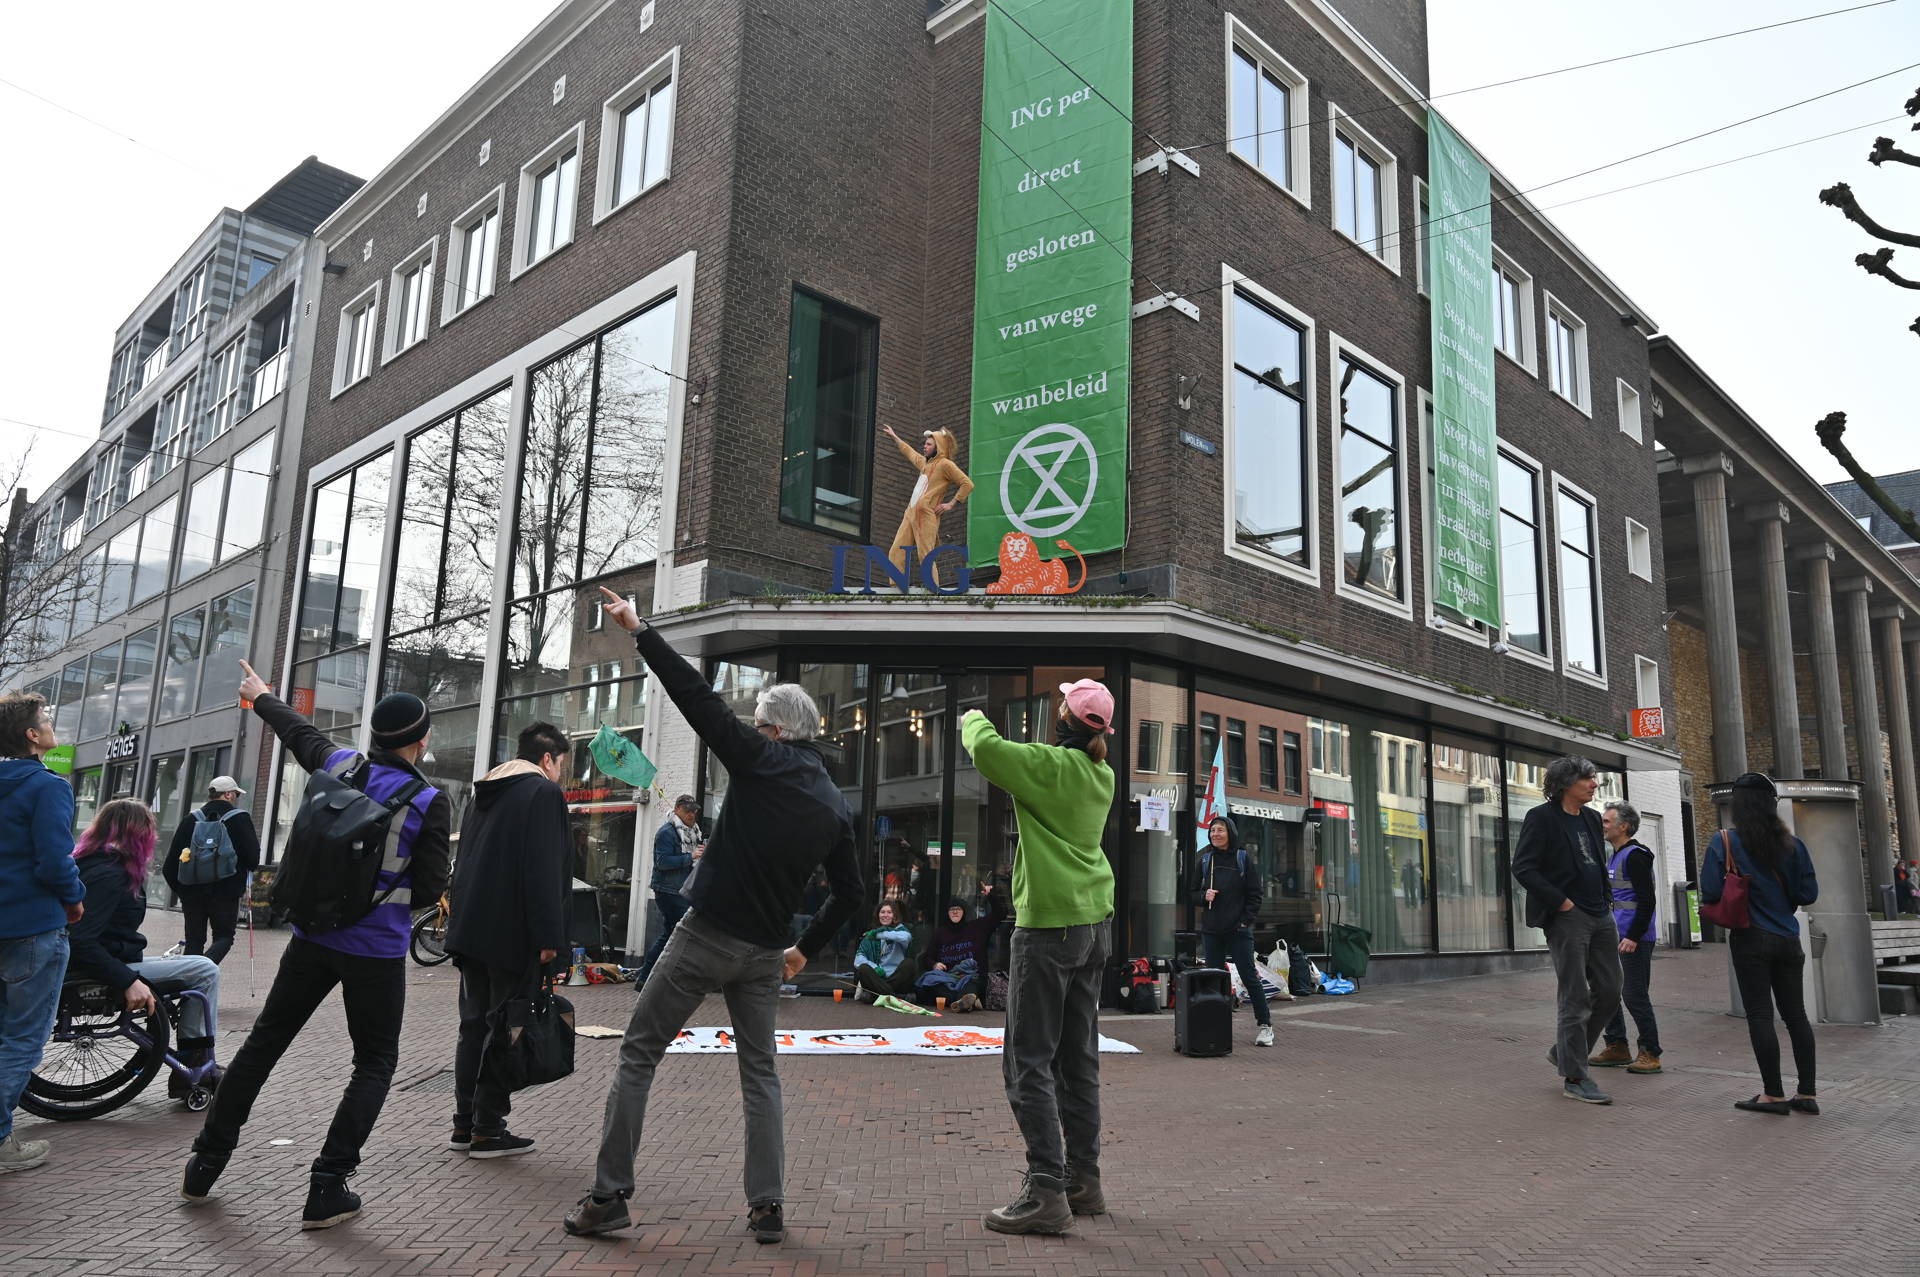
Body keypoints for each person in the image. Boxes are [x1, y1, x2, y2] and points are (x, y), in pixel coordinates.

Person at [567, 587, 863, 1245]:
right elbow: (853, 895)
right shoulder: (834, 806)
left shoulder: (763, 760)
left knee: (640, 1050)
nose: (753, 729)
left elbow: (696, 702)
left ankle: (609, 1194)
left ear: (776, 729)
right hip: (766, 951)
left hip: (705, 933)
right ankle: (767, 1205)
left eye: (759, 721)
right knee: (761, 1071)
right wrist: (805, 949)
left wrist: (640, 631)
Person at [182, 660, 451, 1231]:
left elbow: (299, 734)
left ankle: (206, 1161)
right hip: (375, 950)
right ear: (420, 742)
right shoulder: (428, 800)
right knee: (374, 1061)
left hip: (310, 937)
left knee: (262, 1045)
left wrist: (261, 696)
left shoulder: (342, 765)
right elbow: (428, 887)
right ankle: (327, 1187)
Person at [959, 678, 1116, 1235]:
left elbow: (985, 750)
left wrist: (970, 715)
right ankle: (1084, 1180)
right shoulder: (1103, 775)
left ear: (1064, 720)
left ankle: (1046, 1188)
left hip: (1048, 926)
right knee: (1078, 1059)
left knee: (1027, 1060)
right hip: (1096, 922)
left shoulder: (1049, 766)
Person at [443, 721, 574, 1159]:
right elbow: (545, 870)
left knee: (473, 1026)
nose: (561, 777)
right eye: (561, 767)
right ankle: (488, 1128)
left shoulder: (483, 795)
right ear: (547, 759)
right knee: (508, 1027)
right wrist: (551, 939)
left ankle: (465, 1124)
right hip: (515, 935)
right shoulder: (543, 794)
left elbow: (463, 866)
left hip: (472, 932)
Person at [66, 800, 223, 1098]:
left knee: (191, 963)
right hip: (101, 968)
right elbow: (81, 939)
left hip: (107, 959)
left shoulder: (88, 861)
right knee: (205, 970)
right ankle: (193, 1066)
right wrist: (127, 980)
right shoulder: (111, 873)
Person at [1702, 772, 1821, 1116]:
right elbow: (1808, 894)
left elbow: (1710, 892)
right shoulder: (1794, 846)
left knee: (1760, 1015)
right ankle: (1807, 1093)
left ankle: (1773, 1094)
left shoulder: (1724, 841)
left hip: (1750, 937)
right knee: (1796, 1016)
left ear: (1738, 806)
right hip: (1788, 938)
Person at [0, 692, 84, 1174]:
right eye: (46, 719)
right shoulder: (47, 786)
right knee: (22, 1040)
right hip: (32, 926)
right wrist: (73, 900)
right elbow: (55, 860)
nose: (52, 725)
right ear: (32, 736)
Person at [1511, 755, 1623, 1106]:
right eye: (1588, 779)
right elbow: (1523, 867)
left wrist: (1606, 900)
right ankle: (1575, 1076)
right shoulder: (1540, 818)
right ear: (1566, 783)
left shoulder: (1591, 818)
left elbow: (1597, 862)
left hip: (1600, 915)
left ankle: (1565, 1051)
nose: (1594, 784)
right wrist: (1562, 903)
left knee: (1610, 989)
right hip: (1568, 918)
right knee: (1574, 996)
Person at [1588, 800, 1662, 1075]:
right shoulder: (1615, 855)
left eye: (1607, 821)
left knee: (1634, 995)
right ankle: (1617, 1045)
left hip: (1634, 939)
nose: (1602, 826)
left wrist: (1633, 936)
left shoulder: (1636, 855)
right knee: (1608, 992)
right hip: (1615, 936)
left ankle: (1651, 1052)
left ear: (1624, 826)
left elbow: (1646, 901)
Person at [1191, 814, 1273, 1047]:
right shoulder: (1205, 861)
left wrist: (1245, 922)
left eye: (1220, 830)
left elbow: (1255, 894)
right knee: (1213, 979)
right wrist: (1202, 896)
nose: (1215, 834)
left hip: (1238, 930)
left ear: (1230, 833)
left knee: (1249, 976)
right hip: (1212, 930)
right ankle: (1213, 1025)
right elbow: (1190, 893)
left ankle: (1265, 1025)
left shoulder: (1242, 859)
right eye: (1212, 830)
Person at [161, 776, 260, 964]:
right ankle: (203, 971)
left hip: (192, 894)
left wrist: (184, 892)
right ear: (228, 794)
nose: (236, 798)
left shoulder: (190, 819)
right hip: (226, 894)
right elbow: (253, 860)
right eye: (236, 794)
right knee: (224, 938)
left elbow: (169, 866)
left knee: (194, 941)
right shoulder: (240, 819)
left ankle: (190, 985)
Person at [880, 424, 973, 573]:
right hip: (910, 513)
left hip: (926, 515)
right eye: (925, 444)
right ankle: (895, 587)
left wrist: (950, 504)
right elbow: (909, 452)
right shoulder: (924, 463)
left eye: (929, 444)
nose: (925, 447)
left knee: (926, 556)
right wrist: (894, 436)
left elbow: (967, 484)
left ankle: (933, 590)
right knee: (895, 551)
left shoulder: (945, 465)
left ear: (939, 447)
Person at [635, 794, 701, 984]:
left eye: (694, 811)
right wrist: (690, 857)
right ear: (678, 809)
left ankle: (647, 978)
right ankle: (653, 977)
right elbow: (662, 862)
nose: (692, 814)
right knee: (681, 934)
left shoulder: (692, 832)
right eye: (688, 810)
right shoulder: (667, 832)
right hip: (668, 891)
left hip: (680, 890)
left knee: (670, 934)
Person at [916, 885, 1007, 1012]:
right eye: (952, 909)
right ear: (947, 913)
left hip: (971, 976)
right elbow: (927, 957)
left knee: (972, 983)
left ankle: (964, 1000)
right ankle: (966, 1002)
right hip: (947, 977)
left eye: (958, 909)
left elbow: (1000, 914)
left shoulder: (977, 927)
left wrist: (990, 895)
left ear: (964, 912)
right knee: (928, 982)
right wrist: (934, 964)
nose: (955, 912)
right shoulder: (940, 933)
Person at [852, 902, 918, 1002]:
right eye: (882, 912)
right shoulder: (871, 935)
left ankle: (876, 996)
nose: (885, 915)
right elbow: (858, 959)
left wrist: (879, 935)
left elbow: (906, 937)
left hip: (897, 979)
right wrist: (875, 968)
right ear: (878, 915)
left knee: (910, 963)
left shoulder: (900, 931)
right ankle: (898, 998)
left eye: (889, 912)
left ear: (894, 915)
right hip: (878, 979)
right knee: (863, 968)